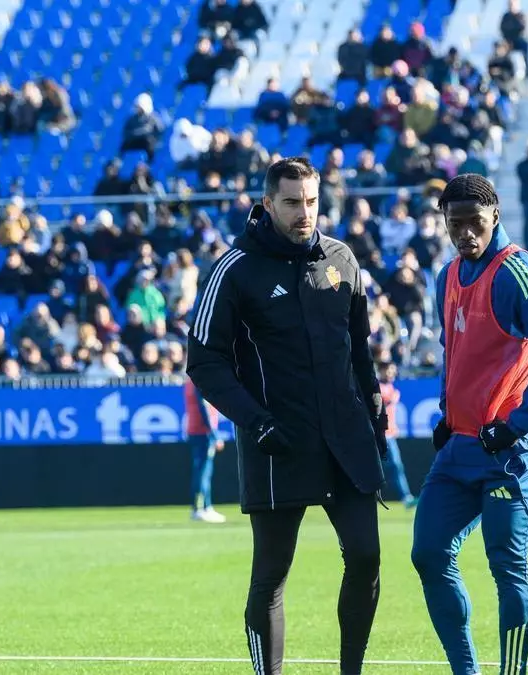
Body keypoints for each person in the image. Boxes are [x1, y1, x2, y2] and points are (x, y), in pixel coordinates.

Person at [185, 157, 386, 675]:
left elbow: (358, 348)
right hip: (278, 443)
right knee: (271, 576)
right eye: (293, 203)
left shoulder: (342, 259)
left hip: (346, 439)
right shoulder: (234, 268)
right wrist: (256, 421)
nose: (305, 213)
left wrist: (375, 412)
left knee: (366, 557)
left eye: (312, 202)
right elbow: (203, 359)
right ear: (268, 203)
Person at [412, 174, 528, 675]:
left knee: (507, 569)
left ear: (496, 216)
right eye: (455, 223)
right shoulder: (446, 277)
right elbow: (455, 352)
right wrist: (447, 410)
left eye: (475, 223)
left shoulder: (518, 273)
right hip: (462, 446)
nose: (466, 233)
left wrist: (516, 424)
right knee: (428, 553)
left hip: (512, 451)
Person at [184, 374, 226, 523]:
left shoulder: (190, 381)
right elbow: (204, 408)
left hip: (195, 430)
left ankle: (204, 507)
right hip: (203, 432)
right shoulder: (199, 381)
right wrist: (214, 434)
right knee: (203, 471)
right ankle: (201, 508)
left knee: (201, 470)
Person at [377, 360, 416, 508]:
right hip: (379, 435)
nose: (392, 373)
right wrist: (389, 401)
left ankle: (406, 497)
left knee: (395, 466)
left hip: (389, 434)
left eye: (393, 370)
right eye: (389, 370)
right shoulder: (377, 386)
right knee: (389, 466)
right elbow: (375, 407)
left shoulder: (390, 387)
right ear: (381, 370)